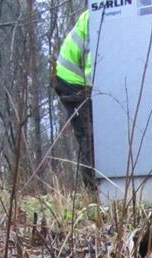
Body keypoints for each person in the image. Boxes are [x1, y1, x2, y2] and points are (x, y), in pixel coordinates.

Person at [54, 10, 95, 190]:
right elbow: (92, 70)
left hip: (78, 81)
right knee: (90, 136)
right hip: (72, 82)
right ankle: (93, 191)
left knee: (92, 135)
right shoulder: (97, 17)